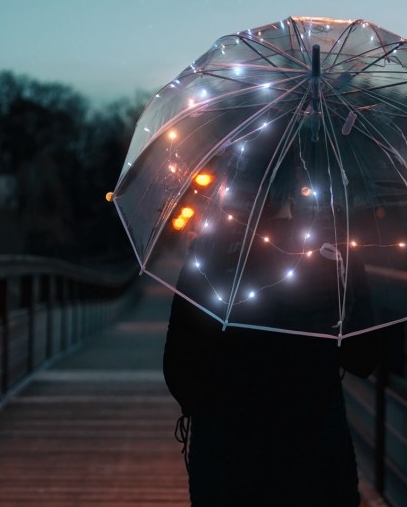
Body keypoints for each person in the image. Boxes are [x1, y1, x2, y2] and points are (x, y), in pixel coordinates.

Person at [162, 157, 379, 506]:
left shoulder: (209, 254)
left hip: (226, 463)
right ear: (297, 185)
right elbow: (363, 357)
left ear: (233, 185)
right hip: (314, 460)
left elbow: (179, 369)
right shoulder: (334, 253)